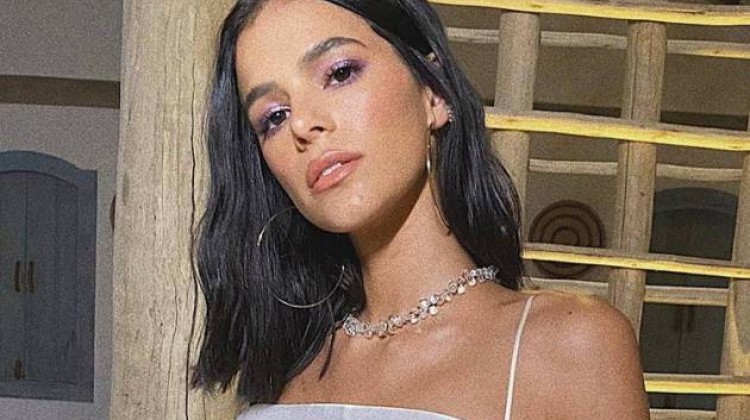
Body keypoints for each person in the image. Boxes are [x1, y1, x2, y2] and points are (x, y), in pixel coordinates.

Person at [192, 0, 650, 418]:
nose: (304, 125)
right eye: (274, 116)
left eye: (340, 73)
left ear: (433, 93)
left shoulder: (570, 345)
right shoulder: (283, 363)